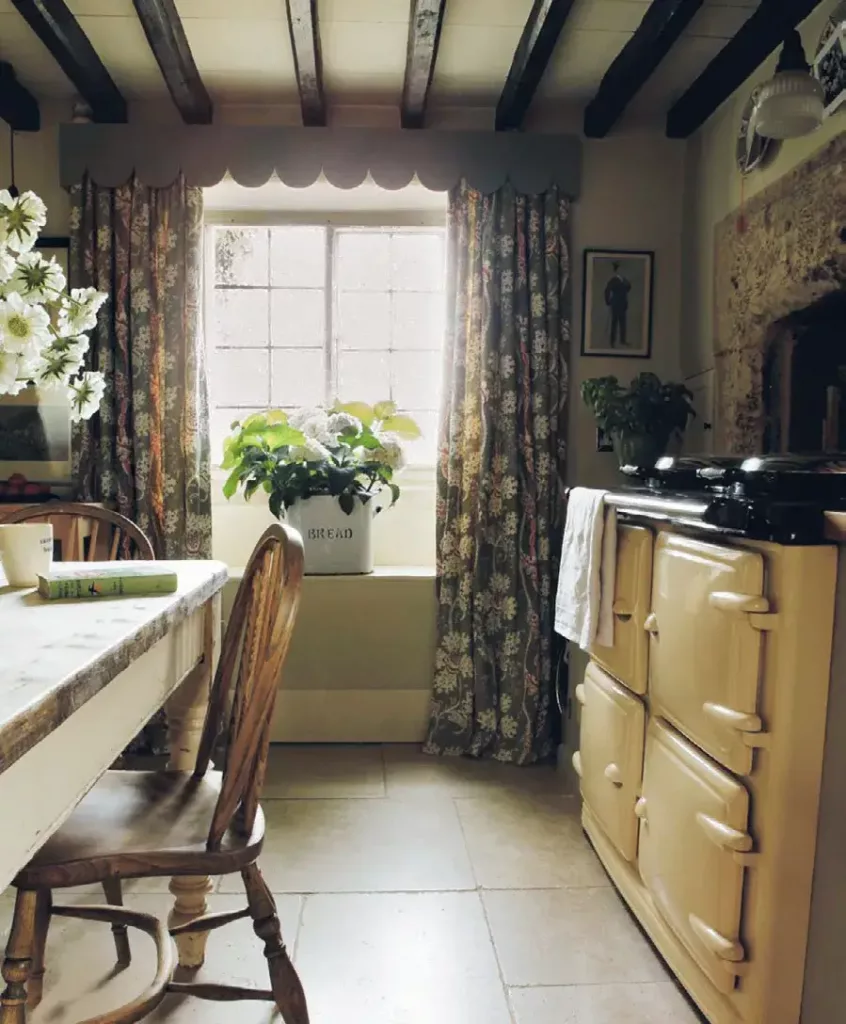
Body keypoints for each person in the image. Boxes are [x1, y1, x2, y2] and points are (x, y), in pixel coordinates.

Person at [604, 261, 631, 348]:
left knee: (623, 323)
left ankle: (622, 340)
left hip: (623, 304)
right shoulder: (614, 280)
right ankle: (612, 341)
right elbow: (607, 290)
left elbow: (628, 288)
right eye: (619, 269)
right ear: (616, 270)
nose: (621, 271)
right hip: (615, 304)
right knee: (614, 323)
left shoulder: (624, 280)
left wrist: (625, 282)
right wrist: (608, 301)